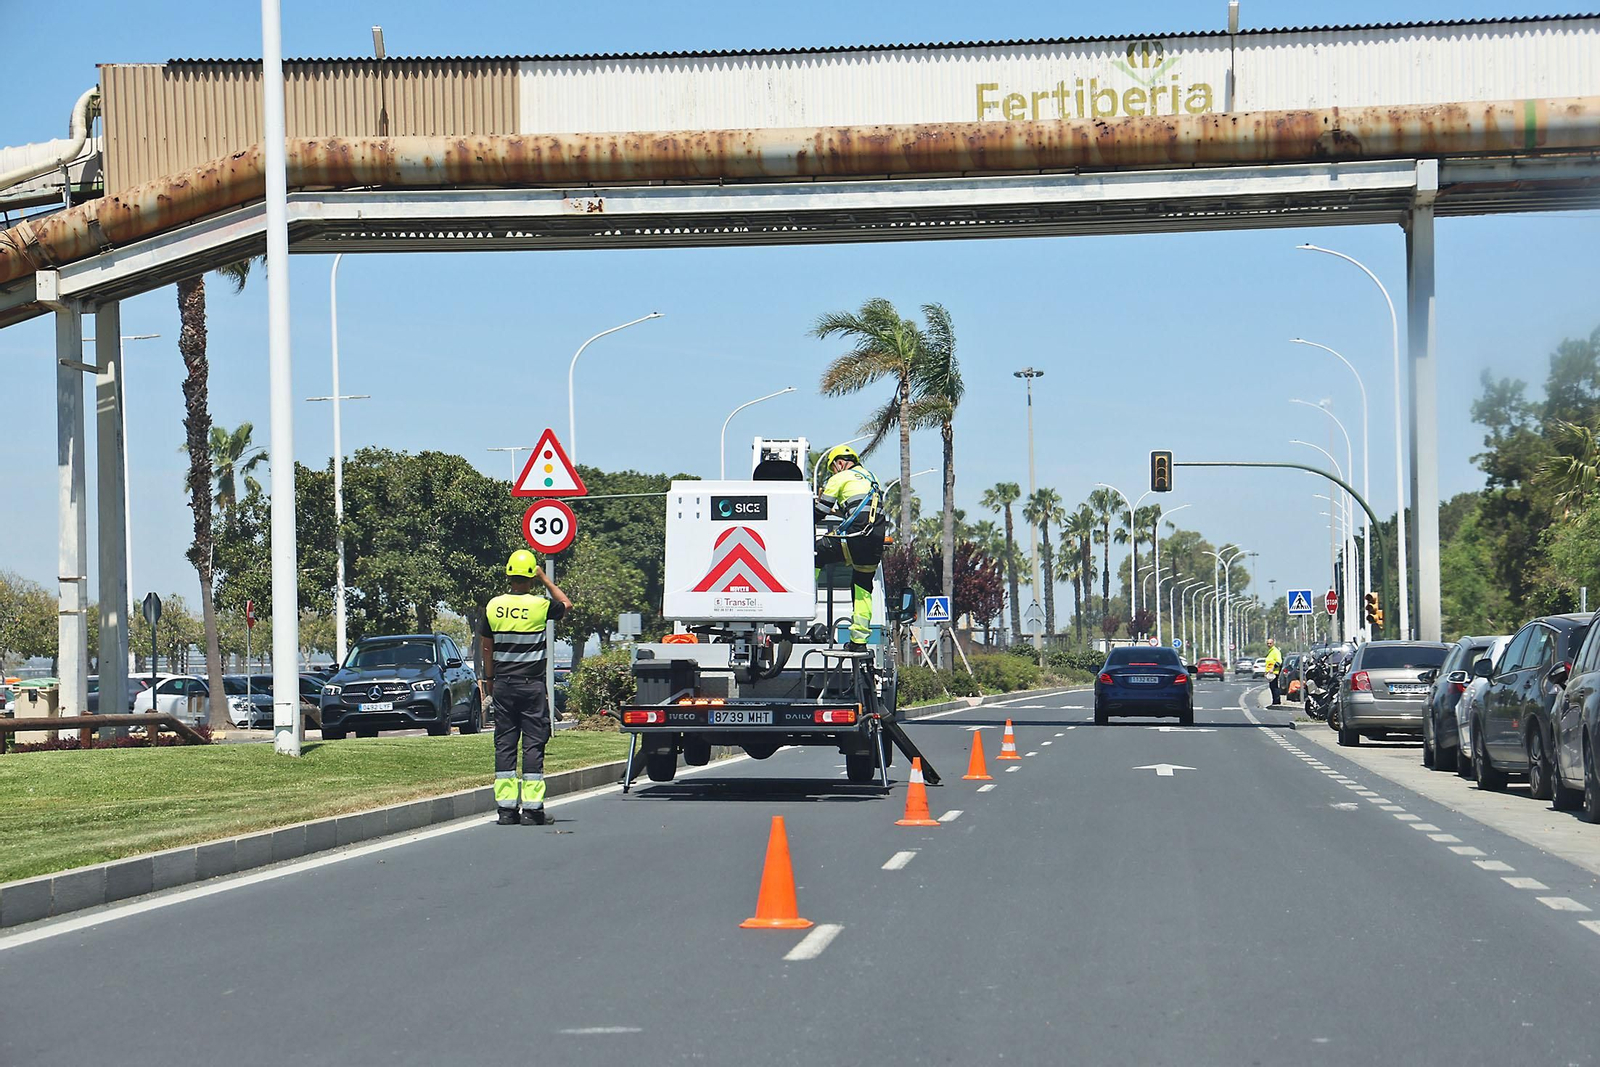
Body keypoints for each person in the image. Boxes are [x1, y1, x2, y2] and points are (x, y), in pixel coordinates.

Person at [479, 549, 572, 826]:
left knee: (505, 743)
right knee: (533, 743)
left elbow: (487, 646)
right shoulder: (541, 606)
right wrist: (546, 578)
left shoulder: (493, 606)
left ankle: (506, 811)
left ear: (509, 574)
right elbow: (566, 604)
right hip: (531, 687)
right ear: (532, 576)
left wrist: (490, 679)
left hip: (504, 685)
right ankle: (532, 811)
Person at [813, 444, 886, 651]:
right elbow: (859, 508)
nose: (834, 472)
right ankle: (859, 642)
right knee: (862, 584)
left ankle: (802, 605)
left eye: (833, 468)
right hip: (875, 539)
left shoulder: (839, 478)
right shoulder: (872, 478)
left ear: (839, 462)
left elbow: (820, 511)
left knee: (816, 554)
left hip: (855, 536)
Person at [1264, 637, 1284, 706]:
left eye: (1270, 643)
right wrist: (1266, 672)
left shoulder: (1275, 651)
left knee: (1274, 687)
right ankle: (1274, 701)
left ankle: (1277, 701)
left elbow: (1279, 661)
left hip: (1274, 672)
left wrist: (1273, 668)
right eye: (1268, 643)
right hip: (1270, 672)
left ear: (1273, 643)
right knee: (1272, 687)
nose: (1269, 645)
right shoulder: (1270, 652)